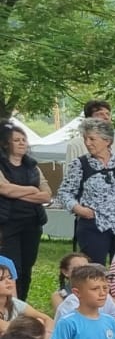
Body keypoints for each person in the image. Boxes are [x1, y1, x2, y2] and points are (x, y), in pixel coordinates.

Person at [59, 118, 115, 265]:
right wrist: (79, 209)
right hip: (93, 226)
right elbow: (64, 193)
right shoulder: (80, 164)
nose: (87, 143)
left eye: (92, 139)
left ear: (107, 141)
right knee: (94, 270)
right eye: (85, 139)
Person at [0, 122, 52, 300]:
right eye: (17, 140)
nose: (22, 143)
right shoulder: (1, 166)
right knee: (12, 267)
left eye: (24, 139)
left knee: (27, 267)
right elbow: (4, 189)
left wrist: (16, 192)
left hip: (32, 223)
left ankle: (22, 303)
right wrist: (32, 190)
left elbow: (46, 196)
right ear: (7, 144)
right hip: (8, 224)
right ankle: (9, 305)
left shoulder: (33, 167)